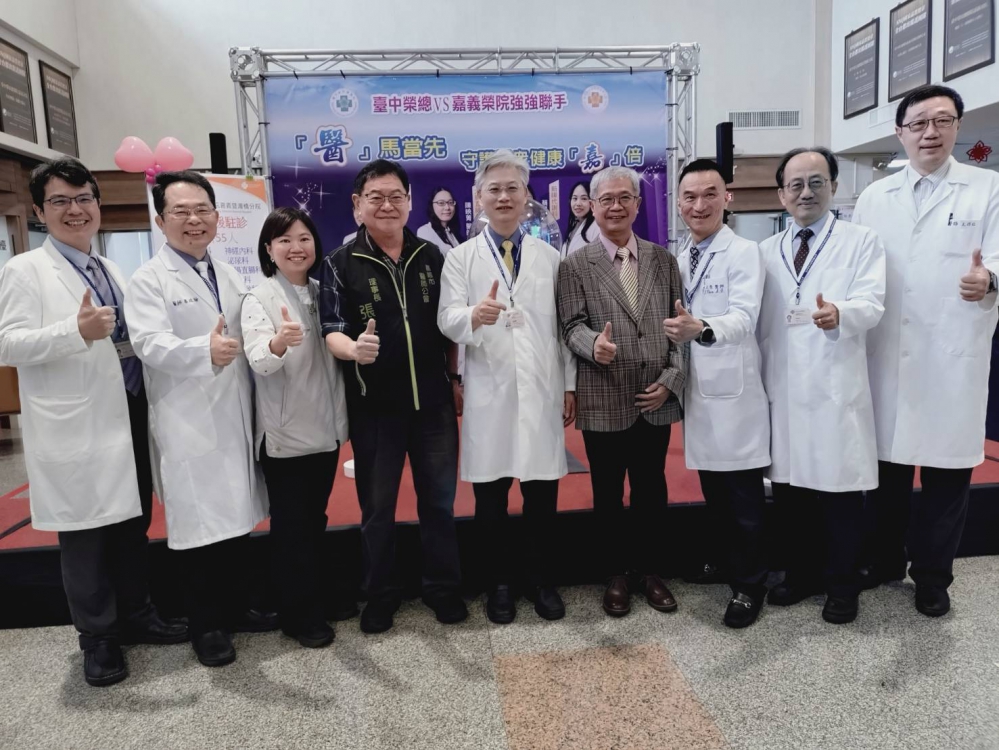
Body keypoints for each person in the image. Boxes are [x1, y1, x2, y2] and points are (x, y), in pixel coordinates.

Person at [0, 158, 187, 687]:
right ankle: (98, 638)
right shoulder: (25, 270)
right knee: (84, 535)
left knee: (131, 522)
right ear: (40, 212)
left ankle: (138, 614)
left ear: (98, 205)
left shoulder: (111, 268)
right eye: (60, 201)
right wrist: (74, 331)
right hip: (76, 421)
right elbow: (7, 343)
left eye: (84, 198)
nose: (75, 210)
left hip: (128, 409)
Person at [853, 84, 999, 617]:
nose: (929, 132)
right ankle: (884, 560)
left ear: (958, 126)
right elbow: (855, 265)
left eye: (941, 121)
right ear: (900, 132)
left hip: (950, 354)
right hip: (886, 351)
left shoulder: (987, 188)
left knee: (946, 477)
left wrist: (989, 278)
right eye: (918, 123)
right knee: (886, 473)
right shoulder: (875, 197)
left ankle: (934, 577)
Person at [125, 171, 273, 667]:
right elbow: (148, 343)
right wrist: (201, 350)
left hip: (232, 413)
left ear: (216, 215)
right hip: (186, 418)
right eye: (181, 212)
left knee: (234, 520)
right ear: (160, 220)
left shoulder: (226, 272)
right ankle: (206, 626)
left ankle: (237, 608)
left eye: (202, 210)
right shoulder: (149, 280)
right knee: (197, 527)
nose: (194, 220)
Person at [320, 159, 465, 634]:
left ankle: (442, 588)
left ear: (408, 201)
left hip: (433, 406)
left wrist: (454, 378)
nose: (387, 205)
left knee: (439, 504)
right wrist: (353, 350)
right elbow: (331, 329)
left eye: (396, 197)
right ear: (357, 205)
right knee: (377, 510)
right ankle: (380, 594)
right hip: (375, 409)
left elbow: (448, 328)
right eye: (376, 197)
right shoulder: (339, 263)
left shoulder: (431, 255)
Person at [438, 150, 576, 624]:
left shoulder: (550, 257)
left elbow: (562, 328)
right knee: (491, 499)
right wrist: (473, 316)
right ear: (478, 197)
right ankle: (499, 585)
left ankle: (541, 581)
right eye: (493, 189)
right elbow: (446, 318)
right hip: (490, 389)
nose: (503, 197)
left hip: (540, 387)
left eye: (512, 188)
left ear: (525, 197)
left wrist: (569, 385)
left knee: (541, 496)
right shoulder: (460, 258)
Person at [758, 147, 886, 625]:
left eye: (816, 182)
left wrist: (840, 313)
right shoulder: (766, 250)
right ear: (781, 195)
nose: (805, 192)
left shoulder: (860, 241)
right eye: (795, 185)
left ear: (833, 186)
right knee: (791, 494)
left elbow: (872, 303)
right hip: (785, 389)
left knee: (839, 496)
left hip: (834, 388)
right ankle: (801, 575)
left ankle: (842, 586)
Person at [557, 165, 687, 618]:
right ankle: (614, 574)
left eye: (624, 198)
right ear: (592, 207)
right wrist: (593, 344)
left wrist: (671, 381)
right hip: (604, 395)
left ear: (637, 204)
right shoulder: (575, 265)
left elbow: (681, 327)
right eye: (606, 199)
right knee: (607, 492)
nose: (615, 207)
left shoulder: (663, 260)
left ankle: (650, 571)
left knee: (652, 489)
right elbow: (570, 325)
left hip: (655, 396)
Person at [664, 159, 771, 628]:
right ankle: (728, 563)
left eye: (710, 194)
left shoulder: (744, 252)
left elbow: (745, 317)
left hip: (734, 392)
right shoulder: (680, 255)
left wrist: (702, 327)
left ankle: (750, 585)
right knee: (716, 492)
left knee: (744, 497)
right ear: (679, 203)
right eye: (690, 196)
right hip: (699, 392)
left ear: (727, 198)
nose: (699, 205)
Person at [241, 207, 349, 647]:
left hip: (326, 429)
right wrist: (277, 343)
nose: (296, 247)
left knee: (314, 520)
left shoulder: (325, 291)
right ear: (269, 249)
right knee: (292, 528)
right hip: (285, 435)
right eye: (284, 240)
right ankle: (297, 615)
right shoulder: (258, 298)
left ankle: (313, 597)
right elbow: (258, 361)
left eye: (304, 238)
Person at [417, 187, 463, 254]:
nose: (447, 207)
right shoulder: (425, 231)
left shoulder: (452, 232)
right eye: (441, 203)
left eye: (450, 202)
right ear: (431, 205)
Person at [562, 181, 599, 258]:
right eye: (575, 198)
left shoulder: (597, 227)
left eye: (584, 198)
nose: (578, 203)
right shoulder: (573, 225)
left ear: (592, 202)